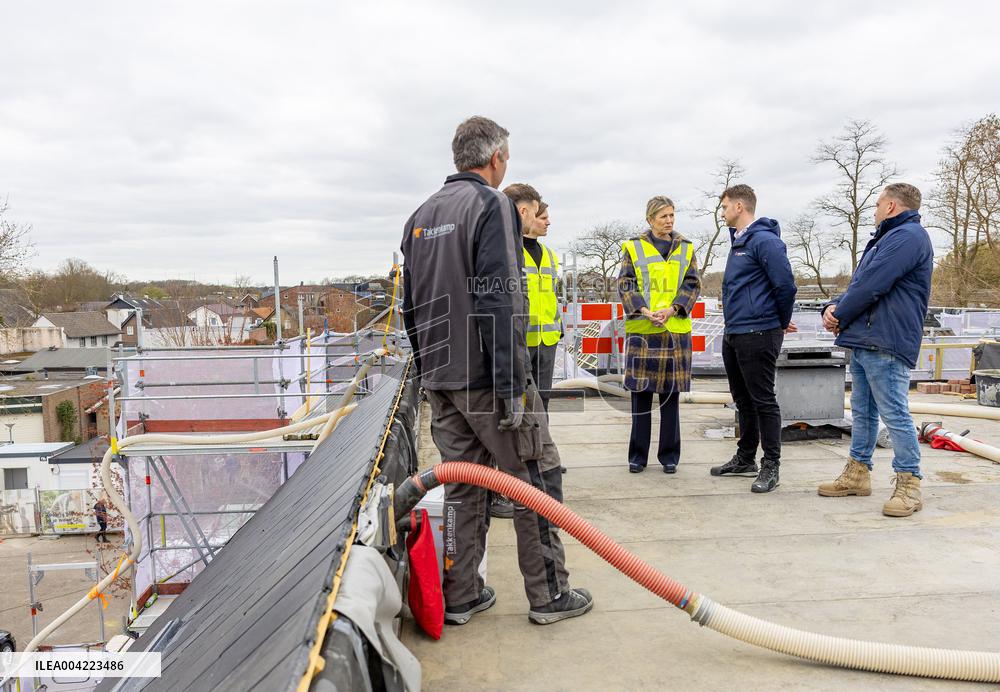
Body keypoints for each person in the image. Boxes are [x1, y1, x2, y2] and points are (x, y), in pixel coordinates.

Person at [400, 116, 593, 626]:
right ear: (497, 158)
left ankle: (460, 594)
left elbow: (410, 307)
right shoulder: (492, 205)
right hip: (489, 379)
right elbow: (501, 299)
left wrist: (427, 376)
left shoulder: (421, 215)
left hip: (442, 379)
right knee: (536, 476)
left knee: (464, 486)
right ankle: (549, 596)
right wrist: (511, 389)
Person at [818, 183, 933, 517]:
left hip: (886, 338)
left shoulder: (909, 237)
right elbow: (859, 283)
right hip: (867, 337)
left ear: (892, 206)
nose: (874, 209)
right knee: (864, 410)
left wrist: (839, 314)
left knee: (894, 412)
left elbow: (874, 284)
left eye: (878, 204)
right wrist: (833, 304)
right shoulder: (887, 239)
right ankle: (857, 473)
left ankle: (909, 484)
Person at [710, 184, 797, 493]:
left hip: (759, 331)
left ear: (739, 207)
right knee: (742, 399)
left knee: (763, 399)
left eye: (724, 207)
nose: (721, 213)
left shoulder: (764, 241)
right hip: (735, 331)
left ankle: (771, 464)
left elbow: (785, 286)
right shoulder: (739, 242)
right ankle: (745, 457)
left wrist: (780, 322)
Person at [617, 196, 701, 474]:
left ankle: (669, 457)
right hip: (644, 330)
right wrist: (642, 308)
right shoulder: (633, 247)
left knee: (670, 399)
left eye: (672, 215)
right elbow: (626, 283)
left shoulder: (687, 248)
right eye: (663, 216)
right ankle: (637, 457)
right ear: (650, 219)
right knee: (640, 398)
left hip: (674, 331)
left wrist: (674, 308)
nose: (669, 220)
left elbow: (692, 284)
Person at [503, 187, 562, 412]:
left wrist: (559, 329)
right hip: (522, 339)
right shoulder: (511, 251)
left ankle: (541, 445)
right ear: (529, 216)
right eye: (544, 218)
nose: (548, 223)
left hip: (547, 339)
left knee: (543, 400)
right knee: (524, 402)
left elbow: (552, 297)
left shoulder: (550, 255)